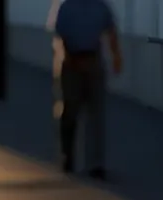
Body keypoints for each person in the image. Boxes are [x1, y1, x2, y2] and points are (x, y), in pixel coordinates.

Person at [53, 0, 123, 179]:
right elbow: (61, 35)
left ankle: (96, 163)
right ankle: (68, 156)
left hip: (93, 62)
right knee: (70, 112)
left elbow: (111, 31)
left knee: (96, 114)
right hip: (72, 63)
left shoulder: (100, 6)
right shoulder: (66, 7)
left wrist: (116, 56)